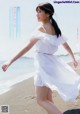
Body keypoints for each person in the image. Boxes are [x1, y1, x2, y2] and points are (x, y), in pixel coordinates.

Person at [2, 2, 80, 114]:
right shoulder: (55, 29)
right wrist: (73, 58)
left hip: (43, 65)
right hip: (52, 64)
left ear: (48, 14)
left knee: (40, 100)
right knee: (48, 99)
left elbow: (26, 48)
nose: (37, 14)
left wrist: (9, 61)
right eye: (36, 12)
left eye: (39, 11)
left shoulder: (41, 29)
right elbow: (66, 46)